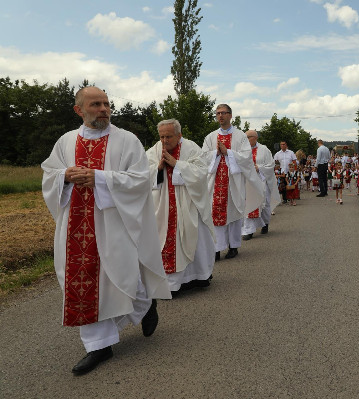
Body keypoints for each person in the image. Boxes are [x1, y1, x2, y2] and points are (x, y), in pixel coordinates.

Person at [41, 86, 171, 375]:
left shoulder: (126, 140)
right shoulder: (65, 142)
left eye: (106, 104)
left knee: (122, 276)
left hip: (114, 223)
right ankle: (99, 346)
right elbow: (49, 175)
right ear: (79, 110)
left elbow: (140, 181)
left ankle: (145, 304)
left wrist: (99, 178)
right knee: (82, 279)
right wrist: (63, 177)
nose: (103, 109)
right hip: (75, 226)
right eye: (96, 104)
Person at [146, 119, 214, 294]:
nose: (164, 141)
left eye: (168, 136)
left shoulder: (191, 148)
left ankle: (198, 276)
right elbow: (143, 173)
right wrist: (159, 168)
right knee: (163, 240)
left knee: (195, 239)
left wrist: (177, 164)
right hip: (162, 204)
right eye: (161, 136)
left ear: (179, 135)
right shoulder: (154, 150)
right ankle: (170, 285)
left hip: (187, 202)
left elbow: (201, 173)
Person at [202, 104, 264, 261]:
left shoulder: (240, 136)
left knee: (234, 212)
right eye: (218, 113)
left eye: (223, 113)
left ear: (230, 115)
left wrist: (228, 152)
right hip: (215, 182)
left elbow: (246, 157)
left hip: (233, 182)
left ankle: (233, 246)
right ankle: (216, 248)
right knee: (214, 214)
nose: (220, 116)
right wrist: (216, 152)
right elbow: (202, 157)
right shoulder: (210, 137)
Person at [242, 130, 279, 240]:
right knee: (248, 205)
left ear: (255, 137)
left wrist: (259, 168)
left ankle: (265, 223)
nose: (246, 140)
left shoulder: (264, 150)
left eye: (248, 137)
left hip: (262, 181)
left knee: (264, 205)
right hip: (248, 182)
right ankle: (249, 230)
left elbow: (271, 165)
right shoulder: (242, 150)